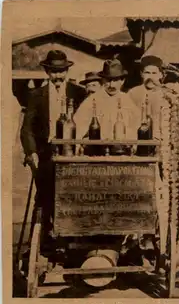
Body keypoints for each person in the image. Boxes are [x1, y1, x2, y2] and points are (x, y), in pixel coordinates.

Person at [20, 49, 87, 248]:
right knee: (44, 198)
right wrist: (31, 152)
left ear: (67, 71)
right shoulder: (36, 95)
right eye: (53, 72)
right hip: (47, 154)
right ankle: (39, 244)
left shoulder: (79, 92)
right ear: (47, 72)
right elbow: (27, 129)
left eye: (61, 71)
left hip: (73, 153)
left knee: (74, 196)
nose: (58, 76)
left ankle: (72, 241)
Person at [74, 59, 141, 141]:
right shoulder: (91, 101)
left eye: (115, 80)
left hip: (121, 149)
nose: (111, 85)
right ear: (102, 80)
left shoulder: (128, 101)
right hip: (97, 149)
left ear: (122, 81)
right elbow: (78, 127)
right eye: (108, 80)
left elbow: (137, 127)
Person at [128, 55, 166, 138]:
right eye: (147, 73)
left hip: (160, 140)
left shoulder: (165, 94)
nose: (150, 77)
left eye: (154, 73)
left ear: (161, 75)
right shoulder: (133, 93)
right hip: (137, 139)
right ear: (141, 74)